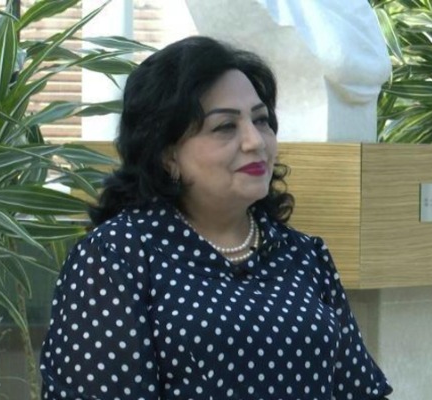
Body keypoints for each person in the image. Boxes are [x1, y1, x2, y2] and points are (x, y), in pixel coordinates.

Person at [39, 35, 392, 399]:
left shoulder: (303, 255)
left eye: (261, 120)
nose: (255, 141)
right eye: (225, 127)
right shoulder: (117, 256)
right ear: (167, 154)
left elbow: (359, 391)